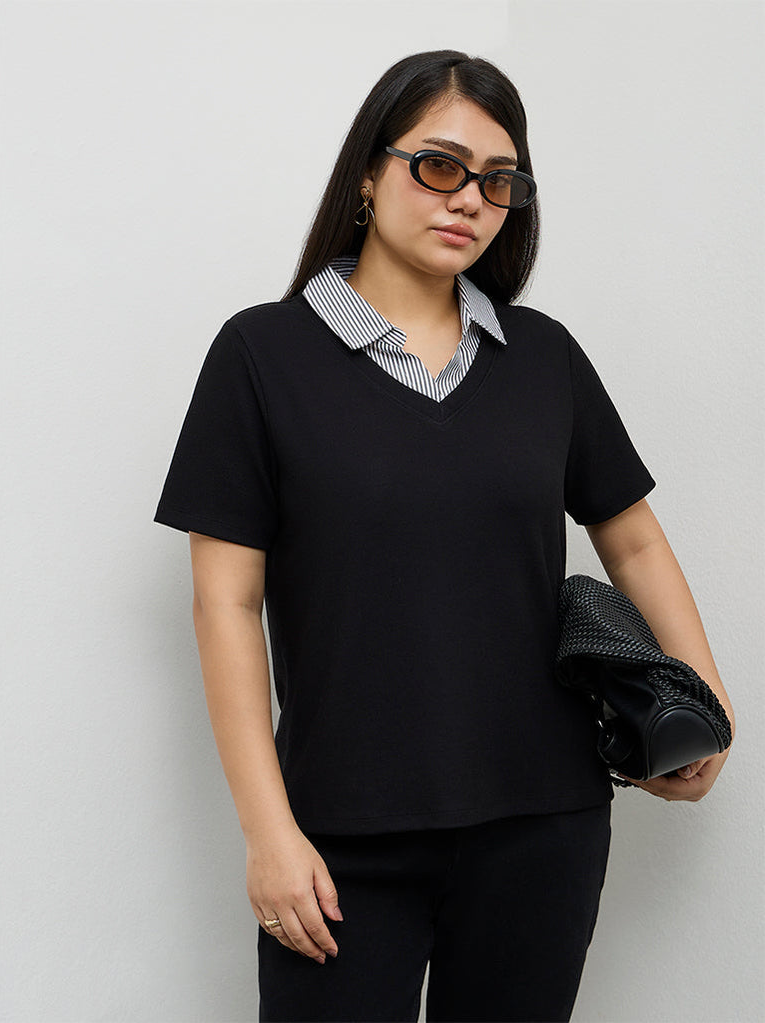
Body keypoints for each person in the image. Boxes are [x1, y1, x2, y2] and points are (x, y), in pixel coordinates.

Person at [153, 49, 735, 1023]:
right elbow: (225, 604)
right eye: (438, 165)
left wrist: (703, 703)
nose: (469, 197)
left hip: (543, 821)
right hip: (339, 836)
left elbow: (631, 538)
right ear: (367, 174)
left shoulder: (542, 356)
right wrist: (267, 832)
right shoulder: (260, 355)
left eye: (498, 180)